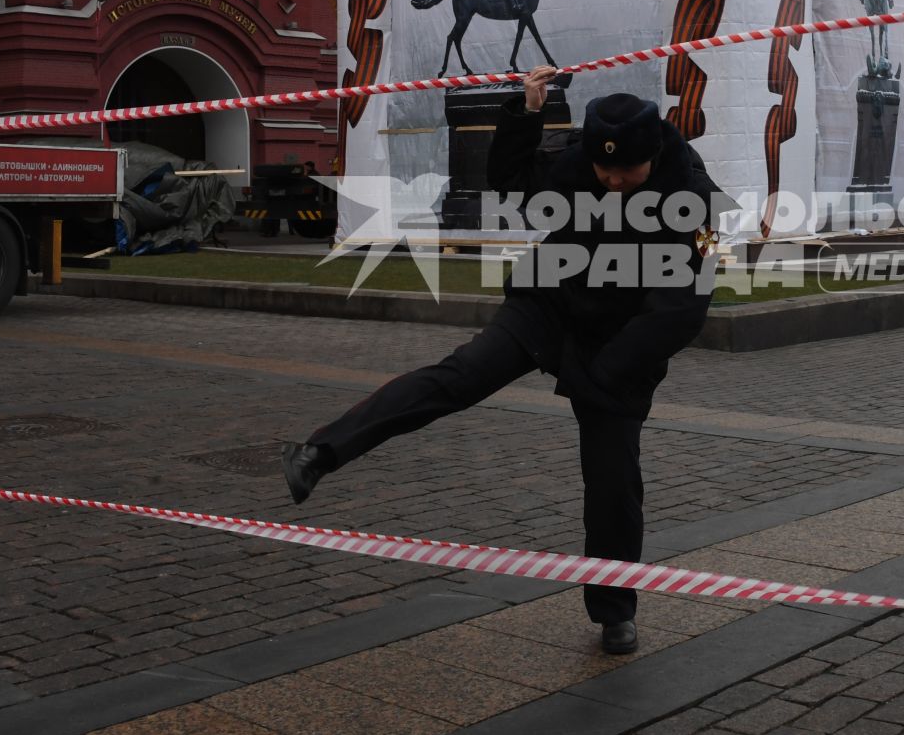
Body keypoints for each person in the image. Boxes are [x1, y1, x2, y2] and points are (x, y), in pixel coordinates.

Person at [279, 65, 725, 655]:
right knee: (457, 378)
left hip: (621, 344)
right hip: (547, 305)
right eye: (604, 170)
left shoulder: (694, 195)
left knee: (614, 483)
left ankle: (615, 611)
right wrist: (525, 111)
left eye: (627, 173)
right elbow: (511, 181)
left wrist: (606, 372)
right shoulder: (577, 160)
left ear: (653, 157)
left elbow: (681, 311)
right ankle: (320, 452)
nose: (613, 182)